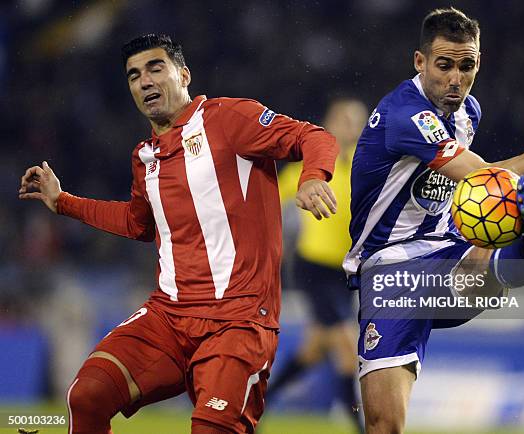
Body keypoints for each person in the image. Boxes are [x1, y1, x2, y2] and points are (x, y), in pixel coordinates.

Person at [19, 34, 339, 434]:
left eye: (156, 68)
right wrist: (63, 201)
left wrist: (311, 178)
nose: (145, 81)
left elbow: (314, 137)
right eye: (134, 75)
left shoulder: (228, 119)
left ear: (183, 74)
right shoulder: (145, 157)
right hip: (168, 318)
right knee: (86, 395)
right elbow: (137, 223)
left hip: (238, 323)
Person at [342, 8, 524, 434]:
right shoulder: (406, 115)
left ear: (479, 63)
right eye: (444, 66)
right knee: (384, 426)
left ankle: (514, 252)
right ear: (419, 62)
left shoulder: (467, 112)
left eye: (467, 65)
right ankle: (514, 249)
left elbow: (482, 184)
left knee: (491, 228)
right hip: (391, 266)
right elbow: (485, 177)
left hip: (446, 251)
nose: (456, 78)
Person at [270, 98, 368, 432]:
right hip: (313, 266)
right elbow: (269, 197)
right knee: (344, 346)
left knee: (313, 349)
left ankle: (260, 403)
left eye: (356, 121)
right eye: (343, 119)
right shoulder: (310, 166)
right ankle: (359, 426)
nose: (349, 126)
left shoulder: (365, 165)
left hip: (347, 271)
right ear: (328, 125)